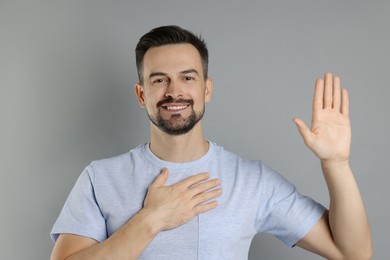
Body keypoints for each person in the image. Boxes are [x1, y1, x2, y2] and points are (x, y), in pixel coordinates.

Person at [50, 25, 372, 260]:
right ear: (141, 94)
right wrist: (151, 220)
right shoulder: (100, 178)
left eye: (188, 77)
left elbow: (353, 252)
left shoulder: (251, 181)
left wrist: (336, 165)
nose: (174, 91)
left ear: (207, 89)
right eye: (159, 79)